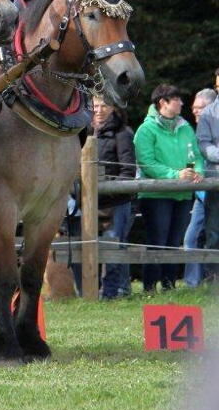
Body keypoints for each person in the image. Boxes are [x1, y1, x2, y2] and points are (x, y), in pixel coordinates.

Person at [134, 84, 204, 293]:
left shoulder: (186, 127)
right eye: (177, 99)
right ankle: (149, 286)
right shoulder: (145, 130)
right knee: (158, 240)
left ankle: (169, 285)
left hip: (182, 195)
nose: (182, 103)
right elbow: (147, 163)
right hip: (156, 195)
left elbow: (197, 156)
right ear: (163, 102)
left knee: (174, 241)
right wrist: (175, 175)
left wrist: (198, 171)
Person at [93, 95, 136, 298]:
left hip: (117, 200)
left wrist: (108, 190)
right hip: (90, 201)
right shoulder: (84, 132)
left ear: (113, 109)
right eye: (95, 105)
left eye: (104, 105)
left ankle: (111, 292)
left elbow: (128, 171)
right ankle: (93, 290)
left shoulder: (123, 133)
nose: (99, 110)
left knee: (114, 245)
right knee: (90, 247)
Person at [196, 76, 219, 283]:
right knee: (214, 232)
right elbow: (203, 144)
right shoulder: (208, 115)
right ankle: (214, 279)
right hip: (216, 177)